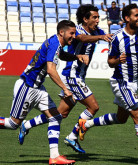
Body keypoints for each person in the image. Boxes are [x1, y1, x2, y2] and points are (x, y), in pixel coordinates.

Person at [77, 4, 138, 164]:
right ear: (127, 18)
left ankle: (86, 124)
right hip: (121, 82)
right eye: (136, 15)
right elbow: (110, 62)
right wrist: (117, 60)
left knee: (121, 118)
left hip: (133, 82)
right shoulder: (118, 37)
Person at [18, 4, 113, 154]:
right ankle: (72, 136)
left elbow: (108, 36)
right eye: (94, 17)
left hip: (78, 76)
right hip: (72, 75)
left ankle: (27, 125)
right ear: (85, 19)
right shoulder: (77, 32)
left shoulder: (96, 31)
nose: (97, 20)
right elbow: (83, 38)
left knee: (60, 113)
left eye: (98, 17)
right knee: (93, 106)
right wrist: (101, 37)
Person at [0, 20, 89, 164]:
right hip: (27, 87)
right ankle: (53, 155)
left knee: (55, 117)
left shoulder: (56, 43)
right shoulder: (54, 44)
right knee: (12, 123)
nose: (74, 36)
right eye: (71, 33)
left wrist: (75, 57)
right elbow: (51, 70)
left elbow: (61, 55)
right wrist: (65, 89)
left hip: (38, 88)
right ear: (62, 32)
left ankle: (54, 157)